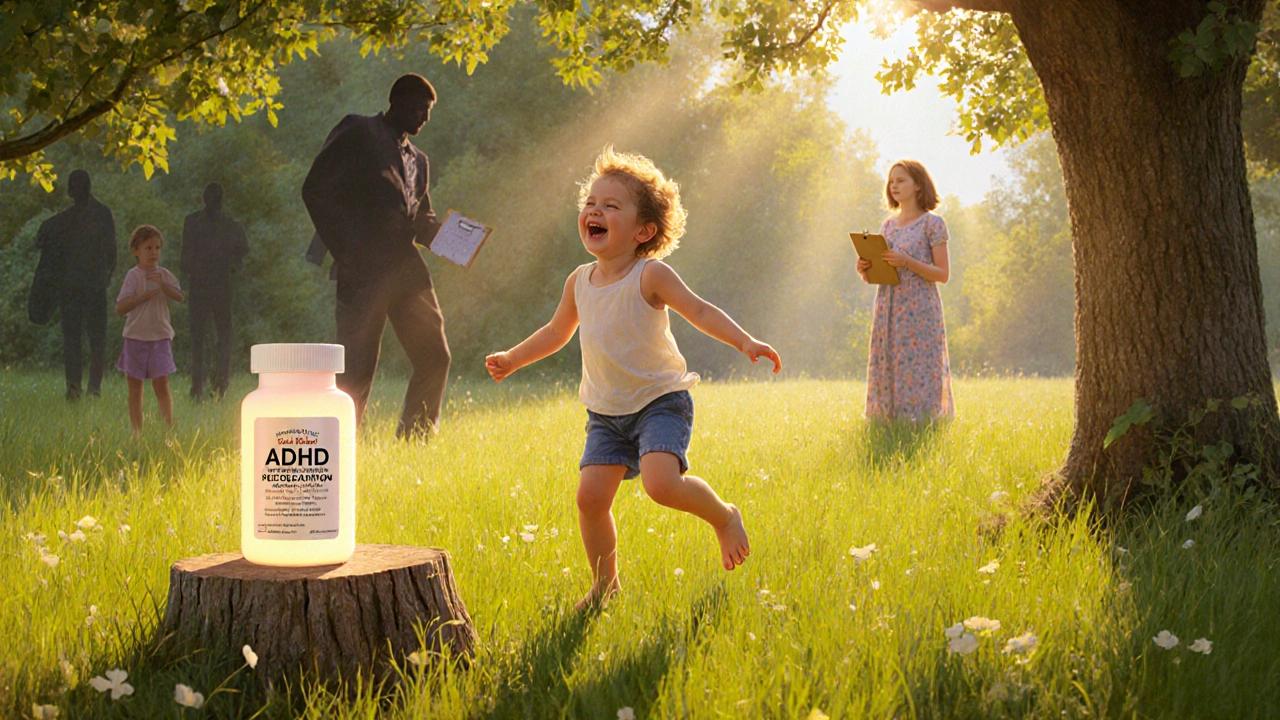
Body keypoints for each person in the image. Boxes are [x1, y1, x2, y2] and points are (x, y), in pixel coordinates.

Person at [485, 146, 782, 609]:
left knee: (661, 485)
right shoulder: (579, 281)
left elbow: (700, 310)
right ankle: (606, 586)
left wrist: (744, 342)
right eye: (590, 203)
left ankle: (724, 517)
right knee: (589, 499)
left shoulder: (651, 275)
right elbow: (555, 332)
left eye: (611, 205)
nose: (595, 211)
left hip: (660, 400)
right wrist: (513, 358)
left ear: (644, 230)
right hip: (606, 412)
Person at [302, 73, 448, 439]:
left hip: (407, 270)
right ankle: (339, 448)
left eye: (429, 111)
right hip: (363, 269)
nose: (425, 118)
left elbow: (421, 219)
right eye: (419, 108)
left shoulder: (420, 160)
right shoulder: (358, 130)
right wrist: (347, 251)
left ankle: (414, 442)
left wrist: (456, 240)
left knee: (434, 356)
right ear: (395, 100)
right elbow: (315, 189)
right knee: (355, 367)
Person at [856, 159, 955, 421]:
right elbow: (880, 276)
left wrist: (907, 262)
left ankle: (923, 422)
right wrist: (865, 268)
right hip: (889, 307)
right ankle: (888, 422)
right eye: (891, 181)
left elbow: (943, 274)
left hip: (920, 307)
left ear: (919, 185)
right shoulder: (887, 226)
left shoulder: (932, 224)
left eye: (901, 180)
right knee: (891, 363)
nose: (894, 186)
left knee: (920, 365)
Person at [33, 169, 116, 399]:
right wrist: (105, 277)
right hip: (87, 288)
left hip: (79, 288)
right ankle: (86, 389)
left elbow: (111, 255)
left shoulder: (66, 221)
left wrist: (105, 277)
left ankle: (80, 389)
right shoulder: (101, 214)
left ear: (71, 190)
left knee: (78, 340)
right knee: (88, 341)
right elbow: (112, 256)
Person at [181, 182, 249, 399]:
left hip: (201, 286)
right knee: (222, 337)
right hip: (220, 286)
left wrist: (186, 277)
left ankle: (199, 386)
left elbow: (185, 256)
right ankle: (218, 385)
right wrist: (232, 267)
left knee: (200, 338)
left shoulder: (192, 223)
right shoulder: (231, 226)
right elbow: (241, 256)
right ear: (221, 200)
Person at [115, 225, 184, 435]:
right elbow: (120, 307)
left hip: (160, 337)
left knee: (161, 386)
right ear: (136, 251)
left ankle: (168, 430)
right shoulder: (133, 276)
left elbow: (180, 297)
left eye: (157, 248)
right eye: (148, 248)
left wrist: (163, 285)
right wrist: (141, 298)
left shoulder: (164, 275)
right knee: (135, 389)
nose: (153, 252)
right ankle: (137, 433)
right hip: (135, 338)